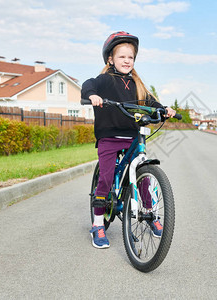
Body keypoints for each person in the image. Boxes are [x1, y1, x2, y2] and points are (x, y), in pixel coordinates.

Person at [81, 31, 176, 249]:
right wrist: (93, 96)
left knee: (143, 173)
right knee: (105, 178)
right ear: (111, 59)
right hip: (109, 136)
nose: (127, 61)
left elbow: (153, 103)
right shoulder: (105, 80)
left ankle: (151, 214)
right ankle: (97, 224)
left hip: (133, 136)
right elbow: (89, 84)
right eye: (122, 57)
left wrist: (164, 109)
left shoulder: (138, 85)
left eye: (130, 57)